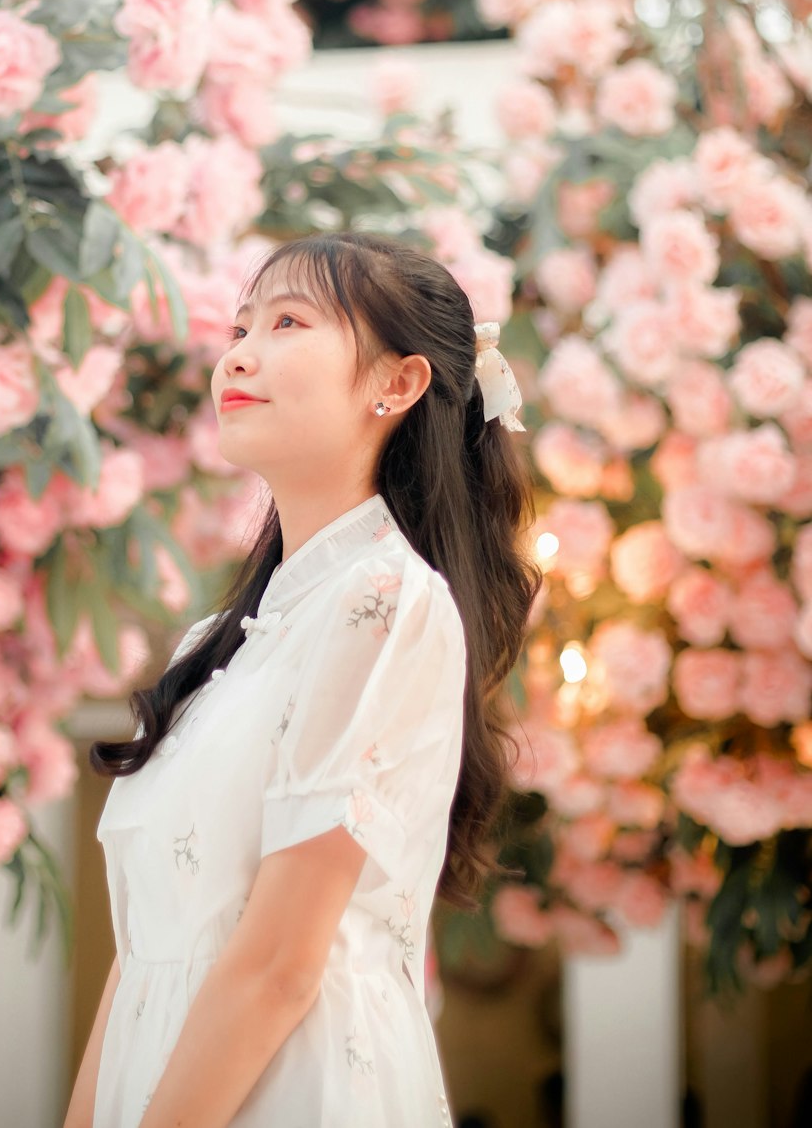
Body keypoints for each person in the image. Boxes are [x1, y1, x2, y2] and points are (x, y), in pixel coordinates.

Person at [64, 230, 541, 1128]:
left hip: (293, 1087)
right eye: (240, 326)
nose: (239, 352)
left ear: (397, 384)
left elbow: (282, 966)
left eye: (288, 322)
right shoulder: (211, 647)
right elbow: (141, 955)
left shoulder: (387, 601)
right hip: (162, 1077)